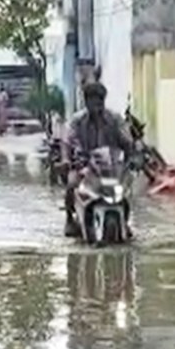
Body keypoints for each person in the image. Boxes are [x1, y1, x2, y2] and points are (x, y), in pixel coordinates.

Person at [63, 81, 135, 237]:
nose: (97, 105)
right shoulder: (77, 121)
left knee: (127, 185)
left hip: (111, 167)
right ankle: (69, 219)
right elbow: (67, 142)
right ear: (86, 102)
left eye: (100, 101)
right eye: (93, 101)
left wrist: (131, 158)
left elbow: (127, 141)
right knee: (71, 183)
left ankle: (125, 221)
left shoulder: (115, 120)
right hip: (85, 166)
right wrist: (66, 160)